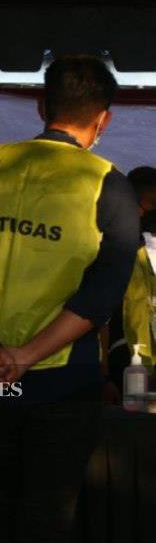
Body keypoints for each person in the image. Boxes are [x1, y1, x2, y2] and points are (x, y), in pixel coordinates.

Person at [0, 55, 139, 543]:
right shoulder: (107, 184)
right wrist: (25, 357)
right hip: (63, 380)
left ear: (43, 106)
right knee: (46, 524)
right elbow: (102, 295)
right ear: (104, 119)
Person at [103, 166, 156, 402]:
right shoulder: (113, 250)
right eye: (148, 203)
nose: (147, 212)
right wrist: (103, 376)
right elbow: (97, 317)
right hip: (126, 364)